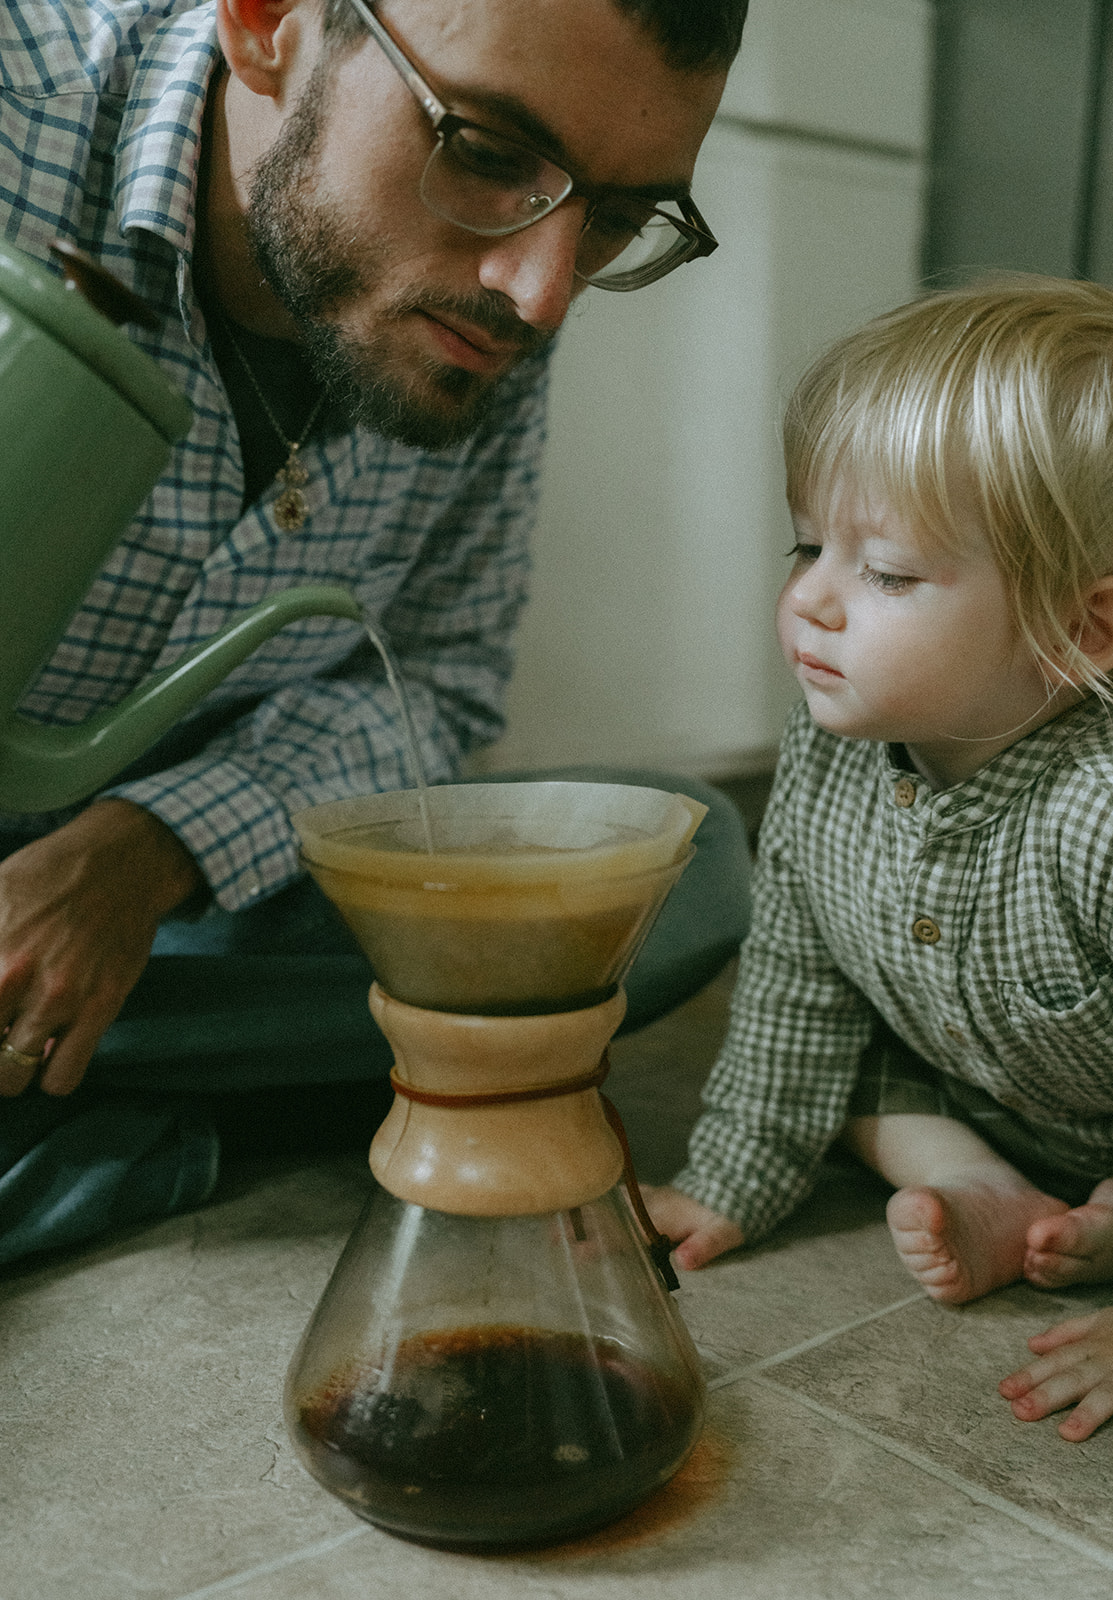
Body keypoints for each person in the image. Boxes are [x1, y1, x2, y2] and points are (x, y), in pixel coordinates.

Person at [0, 0, 751, 1265]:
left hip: (185, 920)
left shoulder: (494, 299)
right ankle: (126, 1128)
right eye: (488, 149)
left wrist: (140, 857)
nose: (545, 293)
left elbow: (442, 682)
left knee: (678, 865)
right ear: (267, 23)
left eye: (617, 215)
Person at [645, 277, 1113, 1442]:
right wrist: (734, 1172)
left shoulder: (1098, 814)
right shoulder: (833, 739)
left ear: (1082, 630)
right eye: (810, 545)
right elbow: (798, 968)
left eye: (888, 574)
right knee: (827, 1066)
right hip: (970, 1082)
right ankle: (983, 1185)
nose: (809, 599)